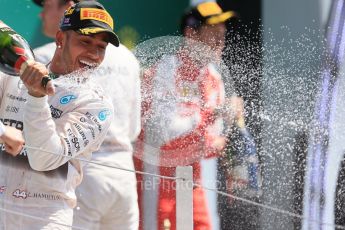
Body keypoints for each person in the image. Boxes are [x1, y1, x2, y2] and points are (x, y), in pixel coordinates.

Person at [0, 1, 116, 229]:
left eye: (101, 47)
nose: (93, 54)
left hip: (45, 217)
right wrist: (3, 130)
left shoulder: (97, 104)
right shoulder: (17, 73)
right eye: (85, 42)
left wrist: (36, 96)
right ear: (60, 39)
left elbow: (45, 159)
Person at [32, 0, 141, 229]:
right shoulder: (129, 58)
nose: (42, 13)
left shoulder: (39, 58)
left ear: (68, 7)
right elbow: (134, 129)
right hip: (124, 171)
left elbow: (44, 153)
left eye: (47, 5)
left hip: (83, 170)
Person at [134, 2, 236, 229]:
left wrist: (226, 144)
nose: (221, 41)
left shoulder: (214, 78)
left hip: (188, 176)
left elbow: (209, 139)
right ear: (191, 34)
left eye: (223, 34)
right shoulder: (166, 68)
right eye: (213, 34)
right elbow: (162, 131)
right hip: (155, 174)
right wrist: (211, 114)